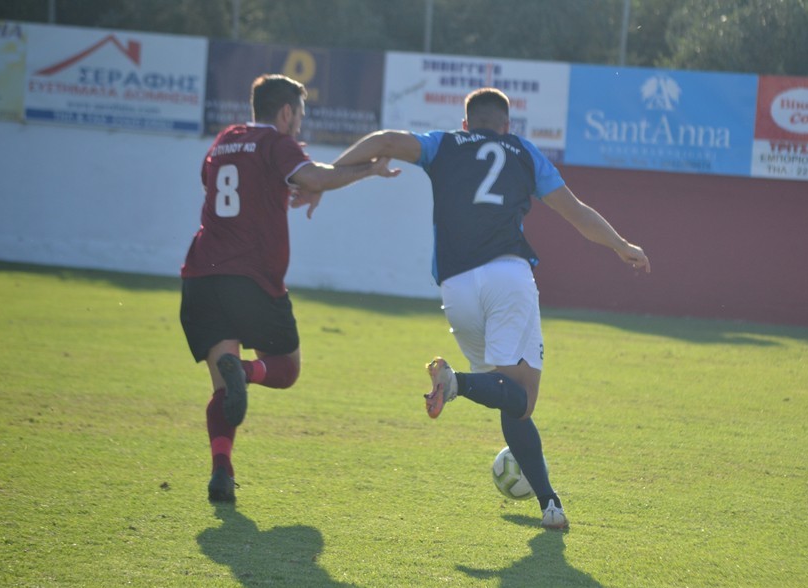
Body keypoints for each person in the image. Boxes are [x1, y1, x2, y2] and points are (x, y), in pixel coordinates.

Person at [331, 87, 650, 529]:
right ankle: (457, 383)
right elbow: (576, 212)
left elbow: (384, 140)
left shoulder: (442, 144)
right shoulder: (523, 151)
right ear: (506, 126)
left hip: (456, 288)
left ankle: (550, 505)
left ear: (465, 123)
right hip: (507, 278)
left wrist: (331, 174)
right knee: (520, 401)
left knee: (501, 391)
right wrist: (620, 244)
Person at [180, 74, 398, 503]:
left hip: (202, 274)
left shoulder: (224, 140)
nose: (299, 123)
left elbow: (222, 187)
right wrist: (368, 169)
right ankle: (245, 371)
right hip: (252, 279)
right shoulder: (275, 143)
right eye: (299, 114)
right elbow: (315, 177)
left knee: (222, 390)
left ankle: (221, 470)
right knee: (285, 369)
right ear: (285, 112)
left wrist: (282, 186)